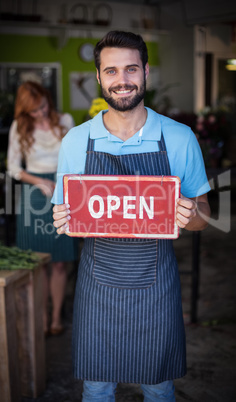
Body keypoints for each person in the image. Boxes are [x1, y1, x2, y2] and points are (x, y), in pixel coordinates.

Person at [52, 31, 211, 401]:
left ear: (145, 72)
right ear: (99, 77)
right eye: (111, 71)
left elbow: (205, 216)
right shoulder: (76, 142)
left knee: (158, 387)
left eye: (130, 69)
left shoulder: (179, 137)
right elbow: (68, 215)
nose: (121, 80)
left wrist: (189, 215)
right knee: (96, 387)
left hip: (157, 286)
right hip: (98, 286)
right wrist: (62, 220)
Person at [7, 80, 78, 336]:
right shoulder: (19, 127)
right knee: (39, 262)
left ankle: (57, 316)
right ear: (25, 111)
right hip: (33, 194)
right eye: (34, 110)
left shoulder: (66, 121)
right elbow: (14, 168)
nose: (41, 113)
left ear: (48, 100)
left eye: (43, 106)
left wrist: (62, 182)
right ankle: (43, 315)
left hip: (62, 191)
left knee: (59, 263)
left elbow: (75, 157)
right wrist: (40, 181)